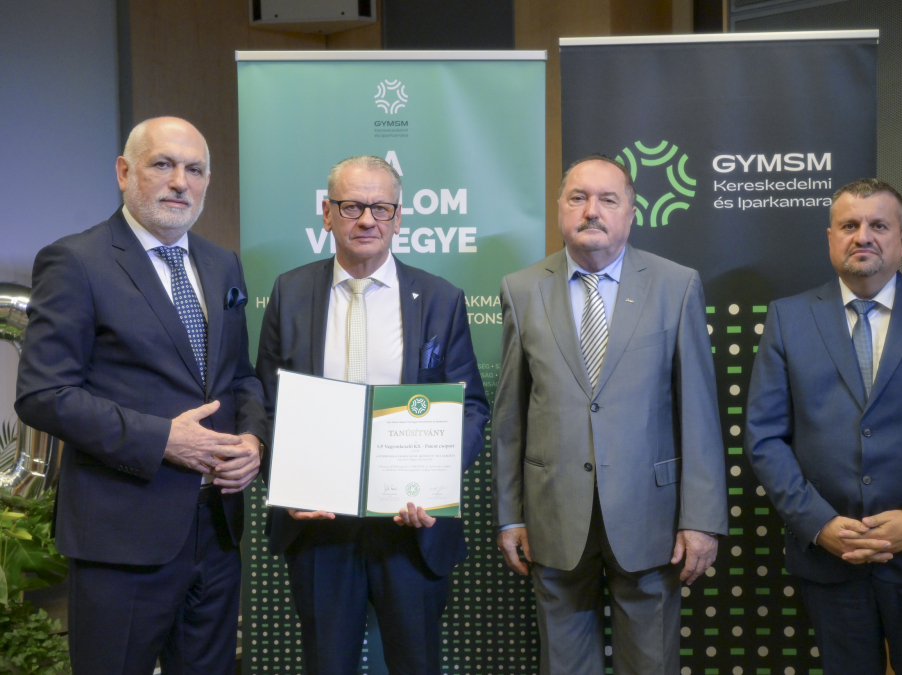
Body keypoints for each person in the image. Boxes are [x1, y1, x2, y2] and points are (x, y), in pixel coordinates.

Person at [15, 117, 268, 675]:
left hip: (217, 533)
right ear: (124, 172)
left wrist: (253, 439)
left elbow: (240, 377)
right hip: (121, 540)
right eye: (163, 165)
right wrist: (162, 440)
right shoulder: (75, 261)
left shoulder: (222, 262)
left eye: (195, 169)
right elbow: (43, 393)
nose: (180, 182)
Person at [745, 178, 902, 675]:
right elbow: (765, 437)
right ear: (831, 238)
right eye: (849, 225)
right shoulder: (788, 318)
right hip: (830, 563)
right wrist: (818, 523)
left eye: (878, 226)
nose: (863, 236)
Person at [492, 155, 728, 675]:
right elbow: (510, 417)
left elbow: (699, 414)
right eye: (578, 198)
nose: (591, 211)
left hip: (651, 519)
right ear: (559, 207)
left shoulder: (676, 285)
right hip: (553, 516)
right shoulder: (521, 289)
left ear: (631, 212)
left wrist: (701, 520)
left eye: (607, 199)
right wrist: (510, 515)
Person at [255, 155, 489, 675]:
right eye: (352, 206)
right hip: (319, 529)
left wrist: (435, 480)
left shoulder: (441, 298)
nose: (367, 220)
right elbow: (265, 402)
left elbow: (472, 407)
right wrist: (287, 483)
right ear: (327, 213)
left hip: (411, 529)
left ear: (398, 218)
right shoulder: (289, 292)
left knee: (417, 665)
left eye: (381, 208)